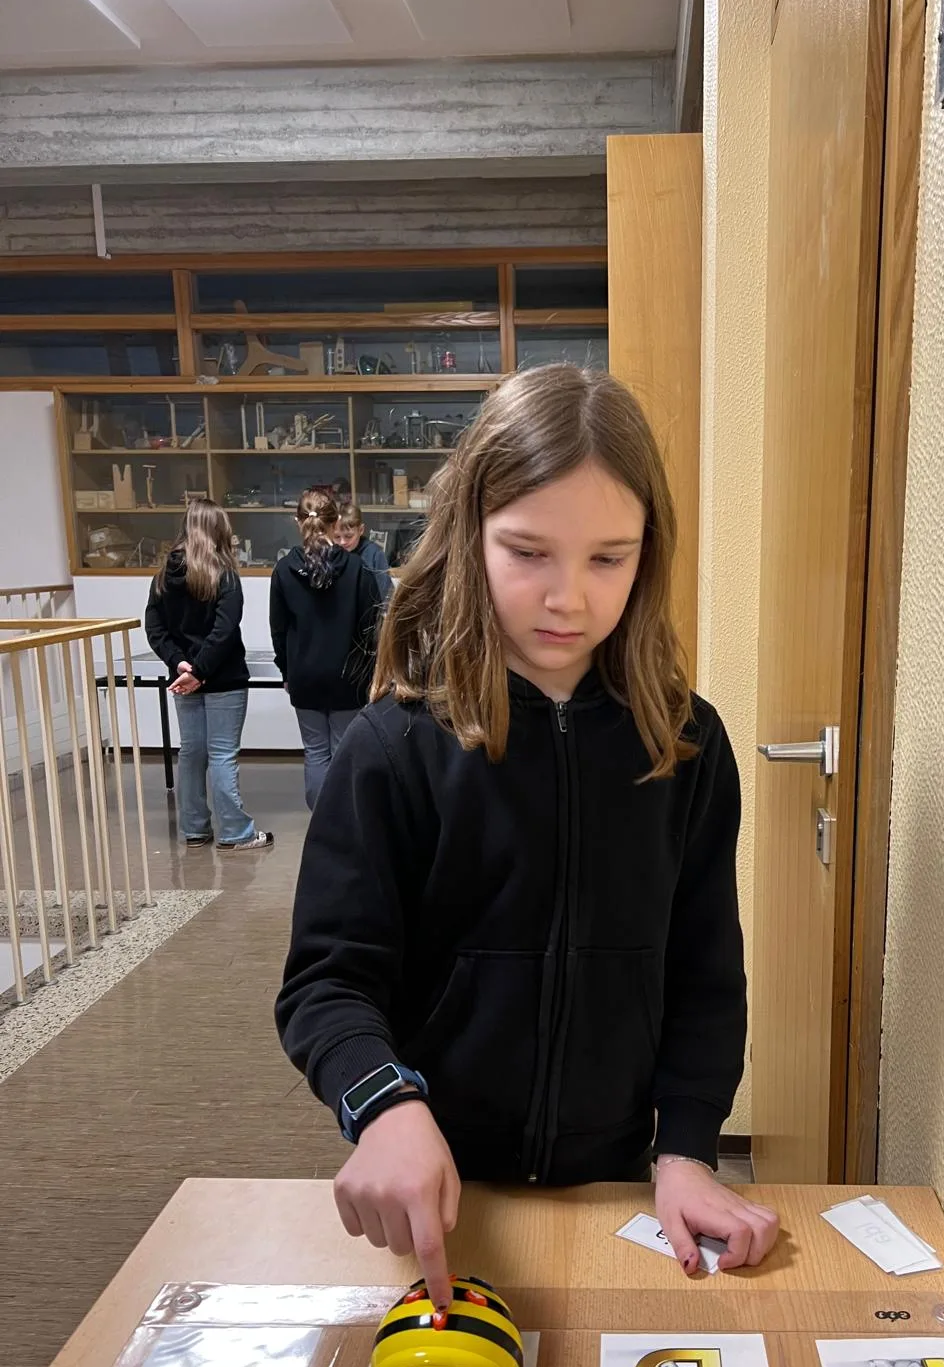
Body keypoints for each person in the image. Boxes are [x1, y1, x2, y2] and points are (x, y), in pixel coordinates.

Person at [275, 365, 778, 1311]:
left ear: (648, 555)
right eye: (528, 552)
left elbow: (706, 971)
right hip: (437, 1195)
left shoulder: (687, 745)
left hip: (615, 1187)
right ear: (471, 537)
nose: (568, 598)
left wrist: (687, 1149)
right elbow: (328, 982)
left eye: (608, 558)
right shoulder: (392, 749)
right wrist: (384, 1103)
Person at [144, 498, 272, 851]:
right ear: (219, 530)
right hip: (223, 678)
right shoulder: (224, 574)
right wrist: (199, 671)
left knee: (191, 753)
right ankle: (235, 832)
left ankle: (195, 829)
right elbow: (225, 630)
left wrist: (180, 664)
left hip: (183, 679)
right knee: (222, 754)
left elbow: (154, 628)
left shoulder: (163, 576)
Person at [269, 487, 383, 809]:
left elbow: (279, 630)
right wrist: (371, 672)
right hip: (349, 678)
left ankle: (321, 823)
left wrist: (286, 671)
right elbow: (371, 627)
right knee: (345, 753)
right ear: (336, 523)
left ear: (298, 522)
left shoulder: (284, 570)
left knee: (316, 753)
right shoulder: (357, 569)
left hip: (304, 677)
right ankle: (344, 824)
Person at [335, 500, 393, 591]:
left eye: (348, 536)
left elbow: (384, 592)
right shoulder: (331, 553)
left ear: (361, 530)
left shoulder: (375, 554)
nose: (342, 542)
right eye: (337, 537)